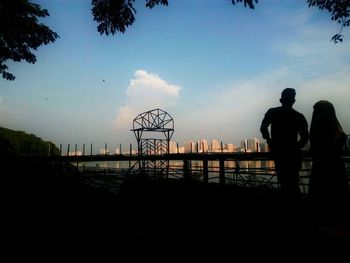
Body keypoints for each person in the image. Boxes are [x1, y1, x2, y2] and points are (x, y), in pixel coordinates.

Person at [260, 88, 309, 199]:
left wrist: (270, 141)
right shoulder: (299, 116)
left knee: (283, 181)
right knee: (293, 182)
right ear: (294, 101)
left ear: (281, 99)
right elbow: (305, 137)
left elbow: (263, 128)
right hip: (293, 155)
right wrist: (296, 147)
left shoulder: (272, 112)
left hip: (279, 153)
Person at [308, 100, 349, 225]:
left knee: (320, 202)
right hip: (337, 169)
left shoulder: (316, 132)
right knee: (338, 201)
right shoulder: (339, 132)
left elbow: (314, 152)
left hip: (320, 171)